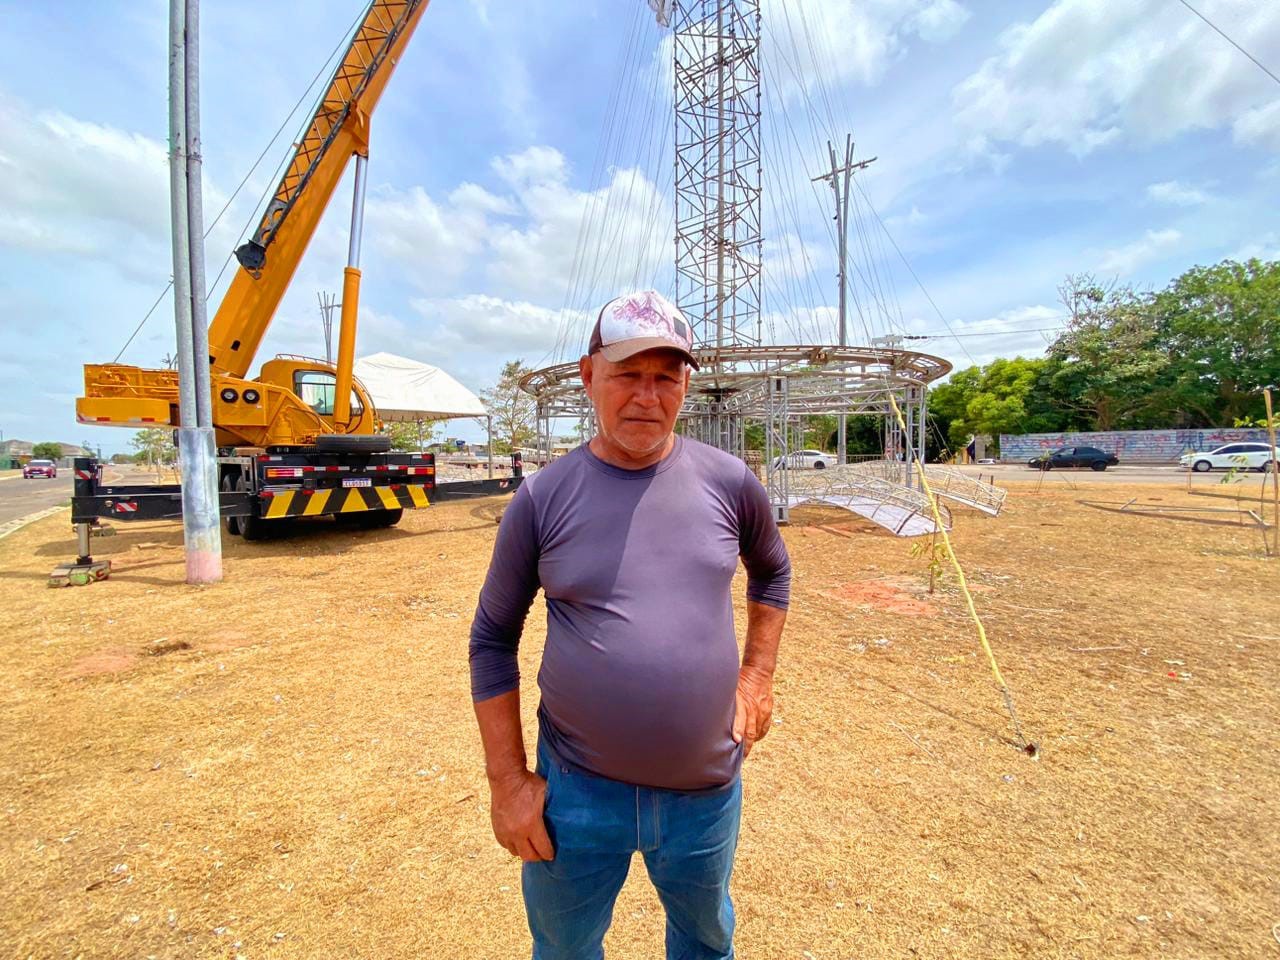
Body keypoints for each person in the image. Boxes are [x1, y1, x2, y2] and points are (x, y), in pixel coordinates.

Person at [469, 290, 791, 960]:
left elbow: (773, 573)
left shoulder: (730, 484)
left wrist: (757, 675)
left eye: (665, 377)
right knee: (564, 949)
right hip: (575, 794)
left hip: (704, 793)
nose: (647, 396)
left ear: (685, 385)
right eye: (627, 374)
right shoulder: (542, 498)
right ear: (589, 376)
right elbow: (492, 641)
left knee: (705, 941)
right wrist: (508, 782)